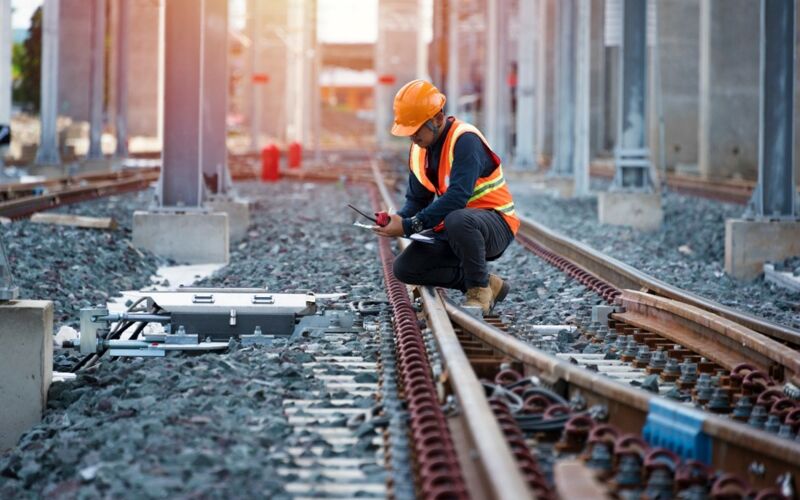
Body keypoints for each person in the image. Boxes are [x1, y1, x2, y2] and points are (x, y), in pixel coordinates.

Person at [373, 79, 519, 314]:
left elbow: (457, 198)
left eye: (416, 129)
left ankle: (479, 292)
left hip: (495, 225)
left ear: (438, 119)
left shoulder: (465, 141)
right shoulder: (420, 150)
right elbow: (417, 200)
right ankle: (487, 282)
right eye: (408, 132)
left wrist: (411, 225)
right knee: (404, 268)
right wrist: (397, 220)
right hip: (456, 229)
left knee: (458, 219)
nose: (412, 137)